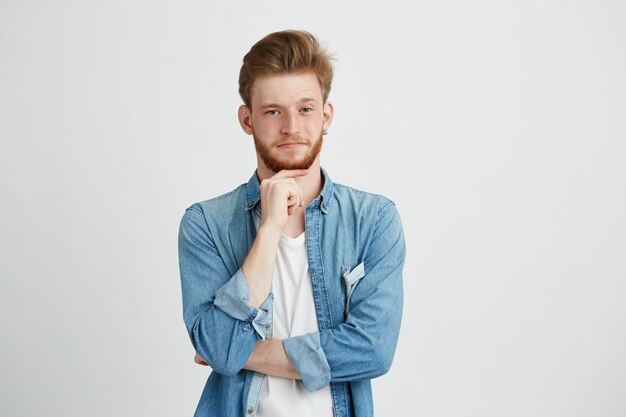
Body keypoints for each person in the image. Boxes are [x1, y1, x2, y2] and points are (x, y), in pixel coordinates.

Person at [178, 30, 405, 417]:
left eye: (305, 109)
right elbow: (216, 344)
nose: (292, 128)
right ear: (246, 119)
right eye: (273, 111)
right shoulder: (206, 224)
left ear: (326, 115)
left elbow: (373, 350)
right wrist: (268, 231)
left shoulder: (374, 220)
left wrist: (241, 353)